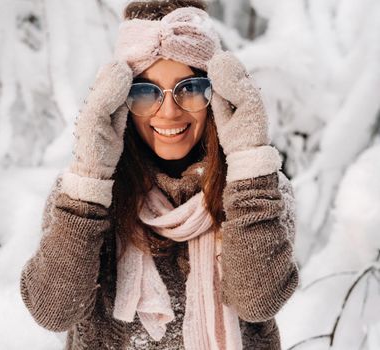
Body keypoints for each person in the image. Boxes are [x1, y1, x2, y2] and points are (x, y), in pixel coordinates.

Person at [20, 1, 299, 349]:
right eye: (144, 92)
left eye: (191, 89)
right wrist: (91, 177)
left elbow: (257, 302)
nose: (168, 111)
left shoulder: (257, 189)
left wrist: (247, 161)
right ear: (122, 100)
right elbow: (53, 311)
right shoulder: (85, 193)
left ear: (216, 94)